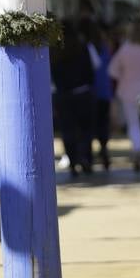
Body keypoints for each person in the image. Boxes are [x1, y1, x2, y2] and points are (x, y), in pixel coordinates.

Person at [108, 19, 140, 172]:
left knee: (133, 124)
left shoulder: (125, 49)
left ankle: (137, 150)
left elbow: (113, 70)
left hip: (129, 92)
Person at [51, 19, 96, 176]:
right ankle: (86, 158)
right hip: (83, 92)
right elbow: (93, 68)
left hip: (63, 95)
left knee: (67, 130)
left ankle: (73, 162)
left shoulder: (54, 50)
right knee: (86, 129)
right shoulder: (83, 47)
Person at [81, 17, 114, 171]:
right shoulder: (105, 47)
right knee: (102, 124)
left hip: (91, 92)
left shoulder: (85, 48)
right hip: (104, 91)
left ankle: (88, 157)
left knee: (88, 126)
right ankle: (103, 151)